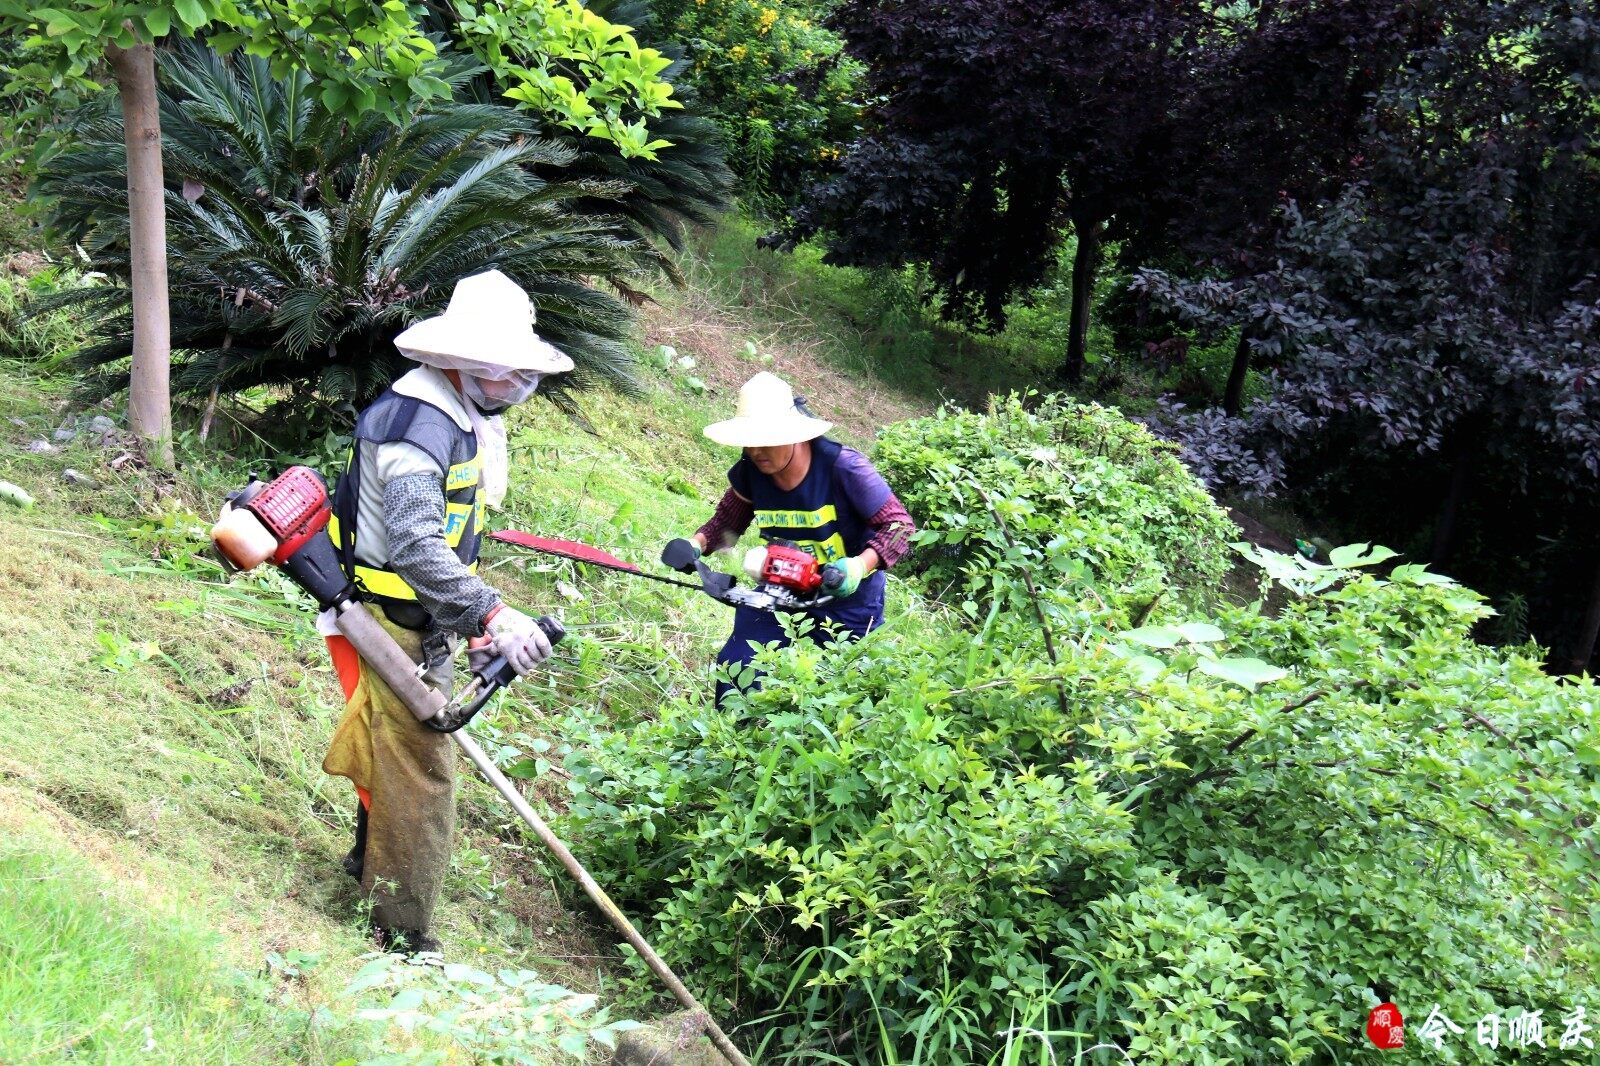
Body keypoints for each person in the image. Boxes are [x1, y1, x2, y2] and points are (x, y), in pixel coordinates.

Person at [319, 269, 569, 954]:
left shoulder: (455, 415)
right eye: (510, 372)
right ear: (473, 364)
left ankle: (364, 863)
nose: (517, 387)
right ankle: (399, 929)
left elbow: (452, 532)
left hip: (417, 623)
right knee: (425, 771)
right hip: (385, 623)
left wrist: (470, 621)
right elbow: (415, 543)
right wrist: (491, 615)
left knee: (391, 749)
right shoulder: (417, 426)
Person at [668, 372, 916, 702]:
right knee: (738, 665)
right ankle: (734, 743)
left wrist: (857, 567)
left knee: (848, 690)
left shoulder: (844, 468)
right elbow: (727, 521)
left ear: (794, 435)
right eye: (750, 441)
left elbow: (899, 527)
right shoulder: (751, 472)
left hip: (847, 600)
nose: (756, 451)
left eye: (766, 439)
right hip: (781, 586)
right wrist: (694, 545)